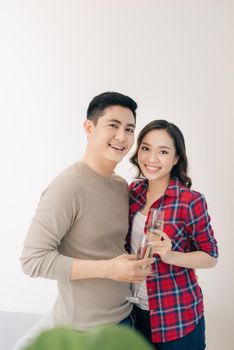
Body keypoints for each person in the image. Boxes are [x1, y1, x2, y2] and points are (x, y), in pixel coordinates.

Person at [14, 92, 154, 350]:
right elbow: (32, 260)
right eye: (113, 125)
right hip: (86, 333)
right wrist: (107, 269)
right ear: (89, 128)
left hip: (127, 317)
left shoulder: (121, 186)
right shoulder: (67, 187)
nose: (122, 137)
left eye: (129, 129)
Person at [127, 120, 218, 350]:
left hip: (177, 318)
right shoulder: (132, 193)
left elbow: (211, 256)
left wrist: (170, 256)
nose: (152, 158)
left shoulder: (190, 201)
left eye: (163, 151)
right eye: (146, 148)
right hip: (134, 314)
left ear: (176, 158)